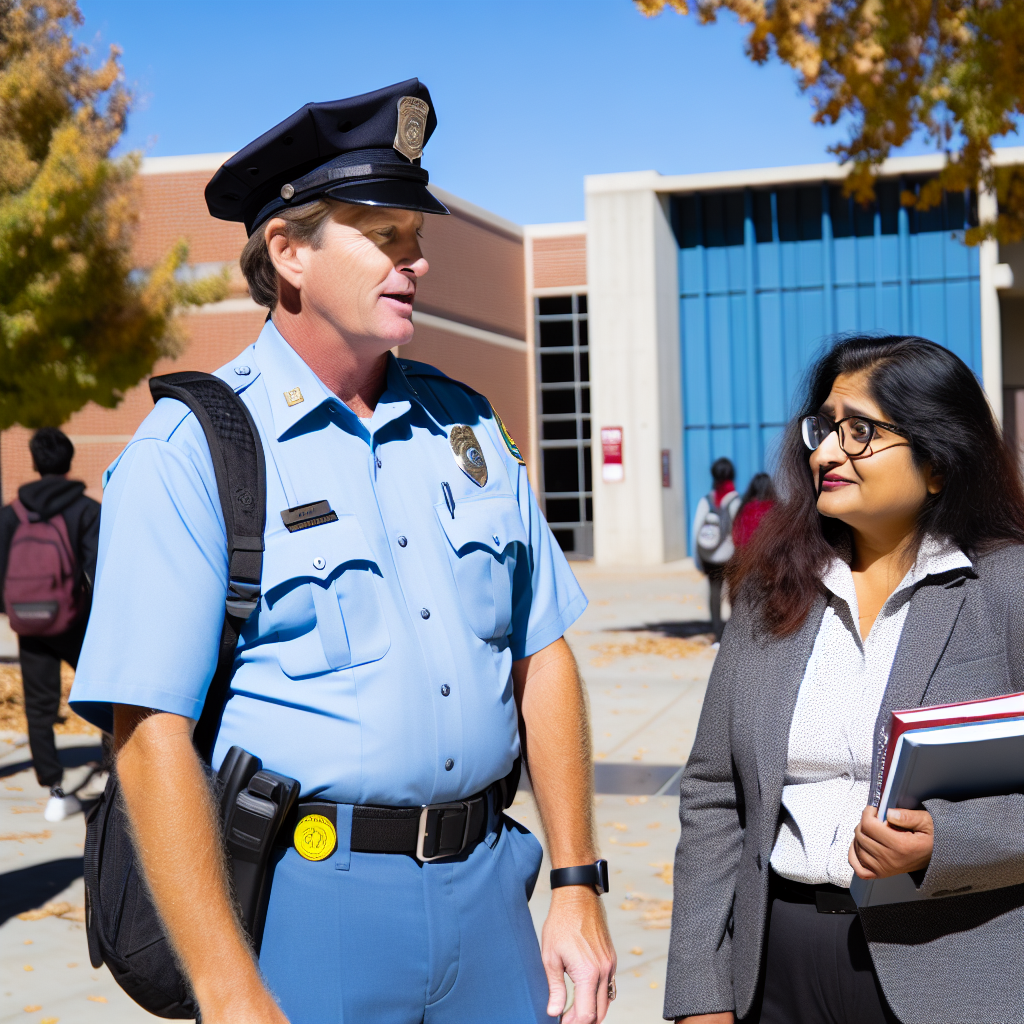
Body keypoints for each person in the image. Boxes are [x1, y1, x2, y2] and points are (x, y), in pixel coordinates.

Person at [70, 80, 615, 1024]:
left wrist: (576, 881)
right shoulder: (193, 449)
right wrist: (229, 985)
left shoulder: (468, 425)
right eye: (383, 236)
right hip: (308, 906)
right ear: (287, 252)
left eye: (416, 238)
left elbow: (542, 652)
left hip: (491, 895)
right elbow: (147, 732)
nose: (417, 263)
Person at [663, 334, 1024, 1024]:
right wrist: (698, 991)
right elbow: (714, 795)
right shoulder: (773, 594)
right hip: (778, 965)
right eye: (824, 428)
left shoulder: (1006, 587)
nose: (826, 451)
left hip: (955, 971)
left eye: (859, 432)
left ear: (939, 461)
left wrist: (950, 842)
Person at [0, 428, 100, 822]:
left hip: (31, 625)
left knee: (39, 708)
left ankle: (56, 792)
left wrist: (17, 613)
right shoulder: (88, 510)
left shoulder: (11, 514)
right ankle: (112, 768)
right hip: (77, 623)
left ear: (34, 462)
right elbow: (99, 571)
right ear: (69, 460)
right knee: (102, 694)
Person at [691, 457, 741, 643]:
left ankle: (717, 633)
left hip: (710, 557)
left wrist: (698, 560)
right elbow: (740, 533)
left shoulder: (706, 500)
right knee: (734, 593)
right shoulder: (735, 500)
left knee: (714, 593)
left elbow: (696, 531)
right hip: (730, 557)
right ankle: (735, 633)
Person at [731, 472, 776, 549]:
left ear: (752, 489)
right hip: (770, 555)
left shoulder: (745, 509)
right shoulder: (775, 509)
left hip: (747, 556)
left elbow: (736, 538)